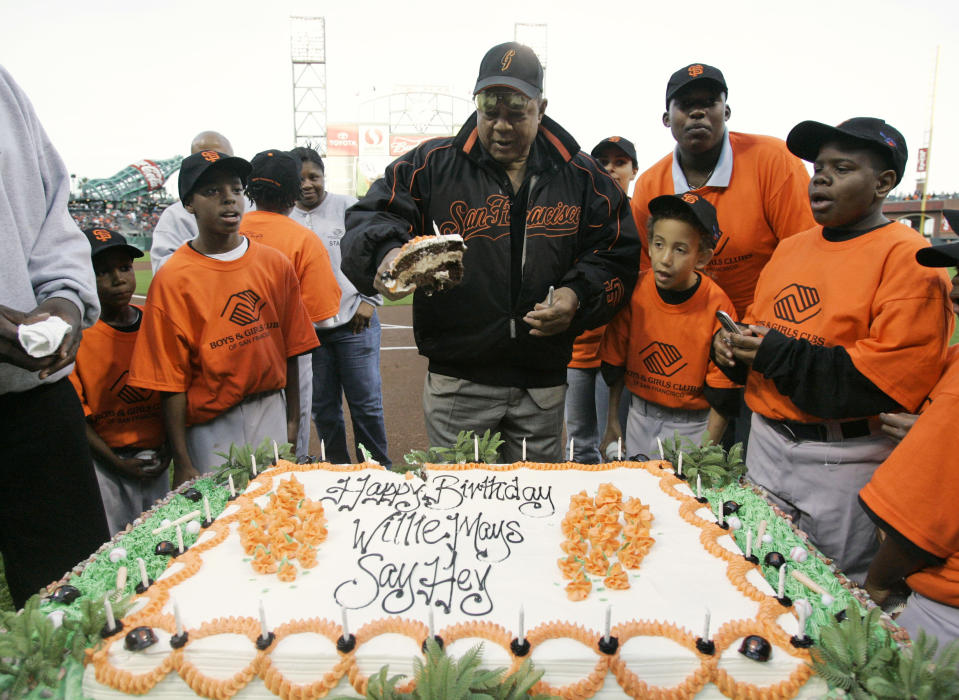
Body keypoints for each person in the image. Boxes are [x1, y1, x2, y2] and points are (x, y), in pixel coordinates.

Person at [341, 42, 640, 462]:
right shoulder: (432, 163)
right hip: (458, 383)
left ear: (541, 107)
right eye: (489, 109)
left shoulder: (582, 175)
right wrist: (388, 257)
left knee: (535, 513)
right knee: (456, 512)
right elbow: (372, 216)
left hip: (542, 385)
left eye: (516, 111)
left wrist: (576, 296)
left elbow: (617, 253)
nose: (501, 125)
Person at [712, 117, 953, 582]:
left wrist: (774, 353)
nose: (820, 177)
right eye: (818, 166)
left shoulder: (910, 257)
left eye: (842, 168)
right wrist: (732, 348)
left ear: (883, 183)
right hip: (766, 441)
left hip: (843, 458)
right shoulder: (791, 247)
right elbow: (763, 336)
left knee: (831, 594)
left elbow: (882, 384)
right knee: (753, 577)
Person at [129, 151, 319, 483]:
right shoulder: (173, 278)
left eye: (235, 189)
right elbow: (170, 381)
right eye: (212, 191)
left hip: (270, 407)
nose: (229, 199)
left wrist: (292, 421)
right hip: (212, 424)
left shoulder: (275, 264)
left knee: (275, 513)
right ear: (189, 204)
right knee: (220, 522)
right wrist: (182, 460)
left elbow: (292, 349)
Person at [0, 65, 110, 608]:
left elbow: (51, 214)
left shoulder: (4, 87)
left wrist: (65, 297)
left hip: (33, 393)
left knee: (79, 601)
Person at [631, 63, 815, 316]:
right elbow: (645, 270)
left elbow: (804, 253)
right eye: (685, 104)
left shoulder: (775, 160)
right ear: (666, 118)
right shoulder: (649, 184)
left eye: (709, 102)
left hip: (765, 325)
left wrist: (752, 327)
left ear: (726, 111)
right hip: (685, 328)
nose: (697, 112)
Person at [859, 239, 959, 648]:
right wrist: (932, 429)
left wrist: (877, 584)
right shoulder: (953, 363)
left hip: (943, 613)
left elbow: (917, 527)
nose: (953, 288)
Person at [601, 193, 739, 459]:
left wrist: (705, 452)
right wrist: (612, 422)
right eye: (659, 244)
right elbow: (615, 362)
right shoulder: (636, 291)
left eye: (680, 249)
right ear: (649, 246)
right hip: (639, 416)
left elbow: (723, 392)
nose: (665, 258)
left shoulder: (717, 304)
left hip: (692, 427)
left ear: (702, 257)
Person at [289, 146, 390, 467]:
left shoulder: (349, 207)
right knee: (324, 409)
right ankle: (337, 469)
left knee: (366, 405)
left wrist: (371, 300)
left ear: (324, 176)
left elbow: (377, 253)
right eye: (299, 178)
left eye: (313, 177)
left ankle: (376, 470)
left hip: (354, 322)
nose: (307, 184)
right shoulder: (284, 217)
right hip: (309, 333)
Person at [239, 149, 341, 458]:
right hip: (288, 360)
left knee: (232, 462)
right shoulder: (303, 238)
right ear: (292, 192)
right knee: (287, 452)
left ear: (249, 189)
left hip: (229, 355)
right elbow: (323, 316)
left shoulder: (227, 231)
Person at [69, 228, 170, 535]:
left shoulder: (155, 322)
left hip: (157, 455)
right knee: (116, 545)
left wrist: (170, 449)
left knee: (166, 535)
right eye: (102, 272)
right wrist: (116, 462)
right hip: (108, 463)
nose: (118, 280)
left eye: (125, 268)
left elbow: (174, 388)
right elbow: (79, 416)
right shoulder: (79, 336)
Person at [566, 136, 639, 463]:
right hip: (580, 349)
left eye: (620, 161)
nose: (610, 168)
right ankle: (585, 511)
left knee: (616, 443)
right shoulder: (574, 213)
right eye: (603, 161)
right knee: (580, 441)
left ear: (634, 170)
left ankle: (618, 510)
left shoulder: (645, 218)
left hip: (624, 352)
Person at [150, 131, 233, 274]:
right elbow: (161, 272)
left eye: (222, 161)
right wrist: (205, 243)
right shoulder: (175, 215)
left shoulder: (251, 205)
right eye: (205, 158)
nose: (214, 165)